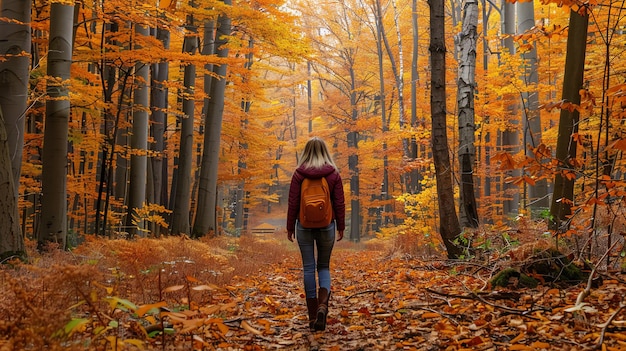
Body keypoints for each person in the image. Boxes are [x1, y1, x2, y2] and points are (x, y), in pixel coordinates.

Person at [287, 137, 345, 332]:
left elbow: (293, 202)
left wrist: (289, 227)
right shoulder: (333, 173)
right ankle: (323, 306)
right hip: (327, 225)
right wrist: (341, 226)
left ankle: (312, 317)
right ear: (325, 151)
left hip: (303, 225)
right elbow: (339, 203)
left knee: (308, 268)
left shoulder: (298, 174)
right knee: (324, 267)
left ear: (306, 151)